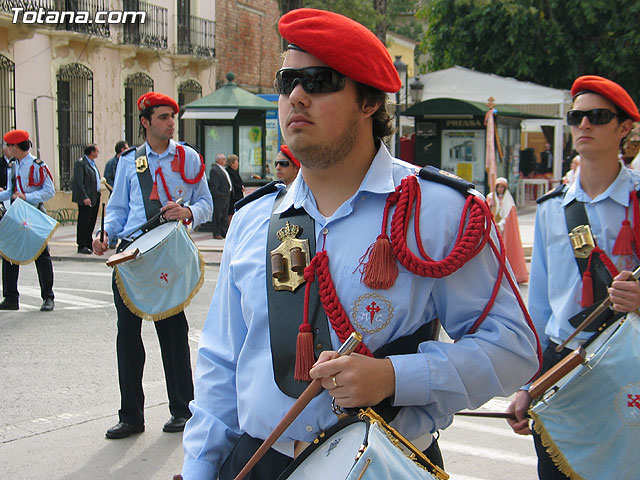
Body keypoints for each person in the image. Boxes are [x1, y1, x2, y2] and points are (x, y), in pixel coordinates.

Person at [179, 9, 539, 479]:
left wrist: (394, 378)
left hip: (384, 462)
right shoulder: (252, 220)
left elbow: (512, 348)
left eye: (320, 80)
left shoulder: (439, 210)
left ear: (369, 101)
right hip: (262, 462)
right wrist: (200, 468)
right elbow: (221, 367)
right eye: (288, 80)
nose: (297, 96)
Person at [506, 75, 640, 479]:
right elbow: (541, 306)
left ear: (623, 128)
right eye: (576, 116)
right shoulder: (551, 209)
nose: (584, 125)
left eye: (597, 117)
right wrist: (531, 382)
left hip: (626, 363)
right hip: (565, 361)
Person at [92, 92, 213, 439]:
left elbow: (205, 202)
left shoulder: (188, 158)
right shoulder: (129, 162)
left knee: (173, 334)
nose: (170, 123)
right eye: (162, 117)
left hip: (167, 254)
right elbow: (116, 210)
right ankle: (131, 415)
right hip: (131, 255)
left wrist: (188, 212)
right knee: (127, 337)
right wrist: (103, 233)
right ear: (145, 122)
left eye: (172, 117)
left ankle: (182, 409)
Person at [0, 129, 55, 311]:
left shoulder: (38, 165)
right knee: (8, 254)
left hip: (34, 214)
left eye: (9, 145)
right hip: (17, 214)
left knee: (41, 255)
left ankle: (48, 297)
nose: (7, 148)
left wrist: (27, 196)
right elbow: (10, 191)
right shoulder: (13, 166)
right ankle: (10, 297)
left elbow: (49, 191)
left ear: (17, 146)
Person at [486, 177, 528, 283]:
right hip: (492, 227)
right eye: (498, 187)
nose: (500, 189)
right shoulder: (491, 197)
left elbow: (510, 216)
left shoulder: (508, 200)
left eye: (502, 187)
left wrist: (502, 223)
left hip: (504, 229)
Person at [71, 144, 101, 254]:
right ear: (91, 152)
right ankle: (81, 244)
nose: (98, 153)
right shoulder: (81, 163)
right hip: (87, 198)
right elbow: (79, 182)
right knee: (84, 221)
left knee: (91, 220)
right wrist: (84, 197)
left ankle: (89, 241)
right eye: (97, 151)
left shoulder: (92, 163)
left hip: (95, 196)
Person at [103, 141, 129, 248]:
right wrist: (115, 189)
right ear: (122, 149)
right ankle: (112, 241)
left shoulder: (128, 160)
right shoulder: (111, 163)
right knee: (115, 213)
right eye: (127, 147)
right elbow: (108, 178)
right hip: (115, 193)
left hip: (125, 194)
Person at [208, 152, 232, 239]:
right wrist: (219, 194)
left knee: (224, 215)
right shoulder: (215, 170)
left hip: (226, 195)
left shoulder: (223, 169)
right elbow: (214, 186)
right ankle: (217, 232)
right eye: (223, 159)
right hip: (220, 196)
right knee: (218, 214)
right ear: (219, 160)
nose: (225, 161)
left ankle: (223, 231)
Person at [225, 153, 244, 219]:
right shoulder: (229, 172)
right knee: (231, 214)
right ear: (232, 163)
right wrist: (240, 187)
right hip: (233, 197)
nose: (238, 164)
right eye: (236, 162)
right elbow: (232, 183)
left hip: (238, 196)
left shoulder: (235, 172)